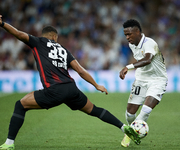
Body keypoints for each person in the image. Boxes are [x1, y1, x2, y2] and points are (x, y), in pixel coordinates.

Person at [0, 15, 139, 150]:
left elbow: (18, 34)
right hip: (71, 89)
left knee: (20, 105)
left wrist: (2, 24)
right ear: (54, 36)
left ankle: (9, 143)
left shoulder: (38, 42)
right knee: (94, 110)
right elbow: (80, 70)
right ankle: (124, 127)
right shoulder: (64, 50)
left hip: (54, 90)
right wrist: (96, 85)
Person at [120, 19, 168, 147]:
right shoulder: (132, 44)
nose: (127, 37)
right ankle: (133, 129)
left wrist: (128, 67)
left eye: (129, 34)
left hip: (158, 80)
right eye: (125, 35)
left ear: (137, 31)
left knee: (146, 109)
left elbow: (147, 59)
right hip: (141, 79)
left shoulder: (149, 43)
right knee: (130, 114)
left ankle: (129, 135)